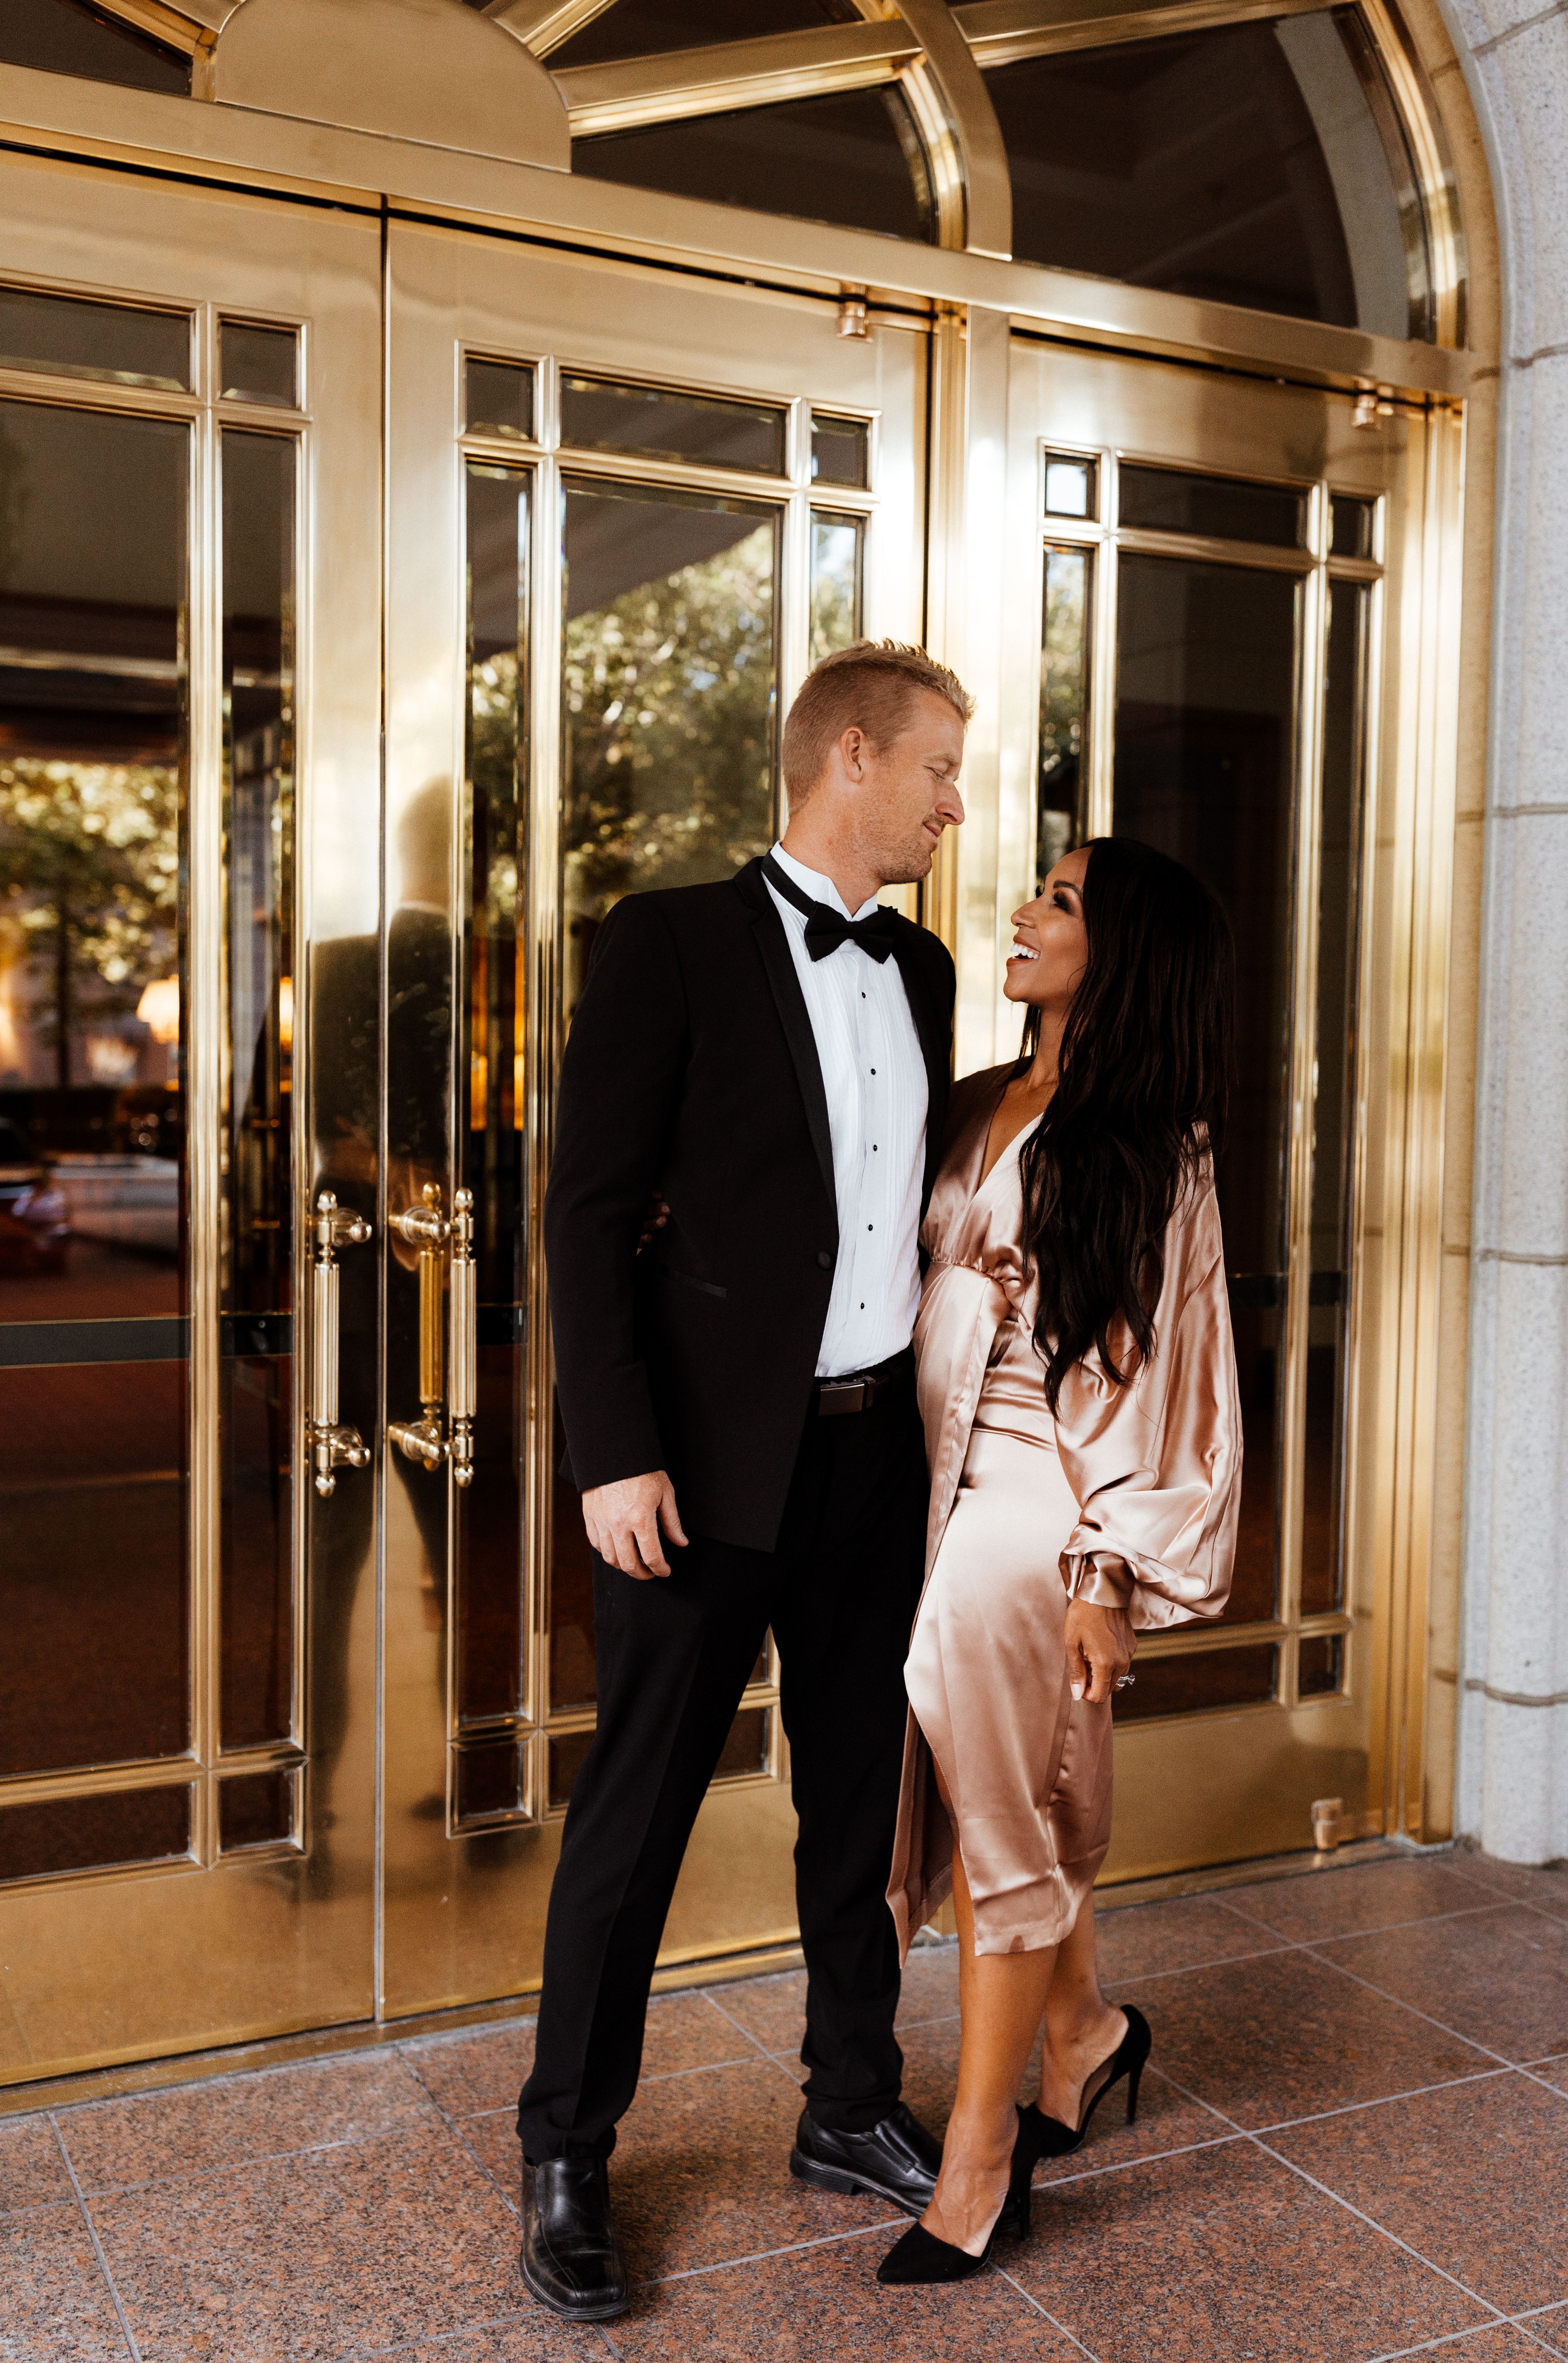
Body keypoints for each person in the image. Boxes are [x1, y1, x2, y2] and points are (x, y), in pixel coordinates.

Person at [519, 640, 972, 2324]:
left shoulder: (921, 974)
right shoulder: (676, 942)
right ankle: (568, 2148)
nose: (951, 803)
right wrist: (614, 1448)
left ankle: (850, 2102)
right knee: (632, 1816)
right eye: (935, 770)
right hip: (697, 1475)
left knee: (859, 1804)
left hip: (872, 1461)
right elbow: (584, 1211)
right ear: (849, 758)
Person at [879, 834, 1242, 2285]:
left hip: (1041, 1492)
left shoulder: (1159, 1145)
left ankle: (977, 2166)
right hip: (929, 1470)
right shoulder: (972, 1103)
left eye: (1062, 902)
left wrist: (1109, 1574)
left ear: (1124, 954)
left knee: (1002, 1828)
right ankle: (1085, 2036)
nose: (1024, 915)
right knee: (999, 1773)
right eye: (1037, 889)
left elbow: (1176, 1372)